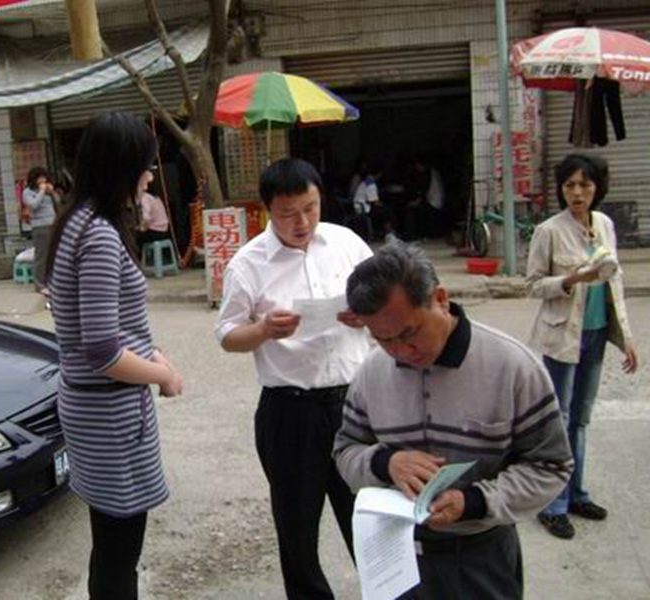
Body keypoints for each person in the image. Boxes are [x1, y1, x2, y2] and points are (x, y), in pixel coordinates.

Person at [334, 241, 573, 599]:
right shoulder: (372, 373)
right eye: (383, 340)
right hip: (397, 556)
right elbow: (345, 450)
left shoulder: (513, 368)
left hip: (480, 556)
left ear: (441, 299)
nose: (400, 351)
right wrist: (386, 463)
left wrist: (475, 501)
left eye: (408, 333)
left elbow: (551, 466)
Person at [215, 158, 373, 599]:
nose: (302, 222)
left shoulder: (346, 243)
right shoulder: (248, 263)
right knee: (297, 527)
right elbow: (227, 336)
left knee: (369, 517)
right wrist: (264, 330)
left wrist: (367, 315)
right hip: (290, 411)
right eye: (288, 213)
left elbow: (385, 302)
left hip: (356, 405)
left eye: (310, 208)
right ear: (268, 210)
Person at [46, 111, 184, 600]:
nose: (150, 177)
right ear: (121, 169)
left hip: (93, 404)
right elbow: (103, 349)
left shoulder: (76, 222)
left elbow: (106, 327)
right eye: (145, 167)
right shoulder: (100, 236)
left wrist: (154, 354)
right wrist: (162, 375)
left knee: (109, 542)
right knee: (119, 548)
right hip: (108, 411)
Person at [527, 154, 638, 540]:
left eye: (585, 185)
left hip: (596, 333)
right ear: (561, 189)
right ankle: (553, 505)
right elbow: (533, 285)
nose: (577, 192)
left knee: (581, 418)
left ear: (597, 188)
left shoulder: (604, 224)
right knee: (558, 419)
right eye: (570, 185)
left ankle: (576, 494)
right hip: (562, 336)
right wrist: (572, 279)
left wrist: (627, 337)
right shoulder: (549, 231)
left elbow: (615, 281)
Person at [22, 166, 60, 294]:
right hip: (40, 226)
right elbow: (34, 205)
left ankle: (51, 281)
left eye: (44, 177)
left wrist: (52, 192)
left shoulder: (47, 191)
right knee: (41, 255)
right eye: (40, 177)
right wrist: (42, 191)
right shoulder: (27, 192)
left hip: (52, 223)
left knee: (53, 255)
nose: (43, 180)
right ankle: (39, 284)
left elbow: (58, 203)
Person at [136, 177, 171, 246]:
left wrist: (140, 228)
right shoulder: (156, 197)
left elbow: (146, 218)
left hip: (155, 232)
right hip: (164, 231)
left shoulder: (145, 197)